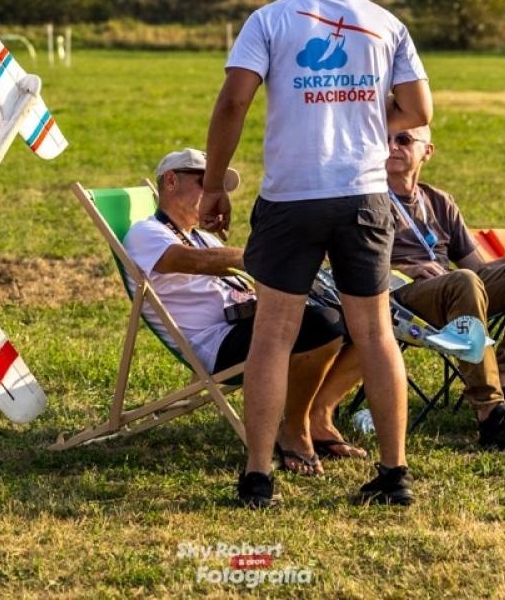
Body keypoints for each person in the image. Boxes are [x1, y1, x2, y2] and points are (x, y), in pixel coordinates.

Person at [201, 0, 432, 508]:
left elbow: (233, 102)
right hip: (364, 192)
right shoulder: (385, 22)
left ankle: (258, 477)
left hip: (291, 195)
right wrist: (365, 122)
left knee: (273, 337)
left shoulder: (269, 19)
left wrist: (212, 186)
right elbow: (420, 107)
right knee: (376, 332)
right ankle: (394, 474)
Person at [308, 123, 505, 451]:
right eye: (385, 139)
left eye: (403, 139)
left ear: (427, 151)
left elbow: (479, 269)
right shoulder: (367, 199)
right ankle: (491, 415)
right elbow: (346, 265)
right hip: (400, 296)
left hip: (456, 290)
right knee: (462, 282)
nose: (392, 146)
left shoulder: (439, 201)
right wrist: (407, 267)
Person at [123, 149, 350, 478]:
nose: (216, 193)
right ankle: (295, 429)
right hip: (219, 344)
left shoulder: (201, 235)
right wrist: (260, 256)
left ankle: (316, 415)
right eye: (207, 182)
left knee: (357, 323)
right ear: (171, 181)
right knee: (324, 325)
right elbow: (197, 262)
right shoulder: (146, 233)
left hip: (248, 321)